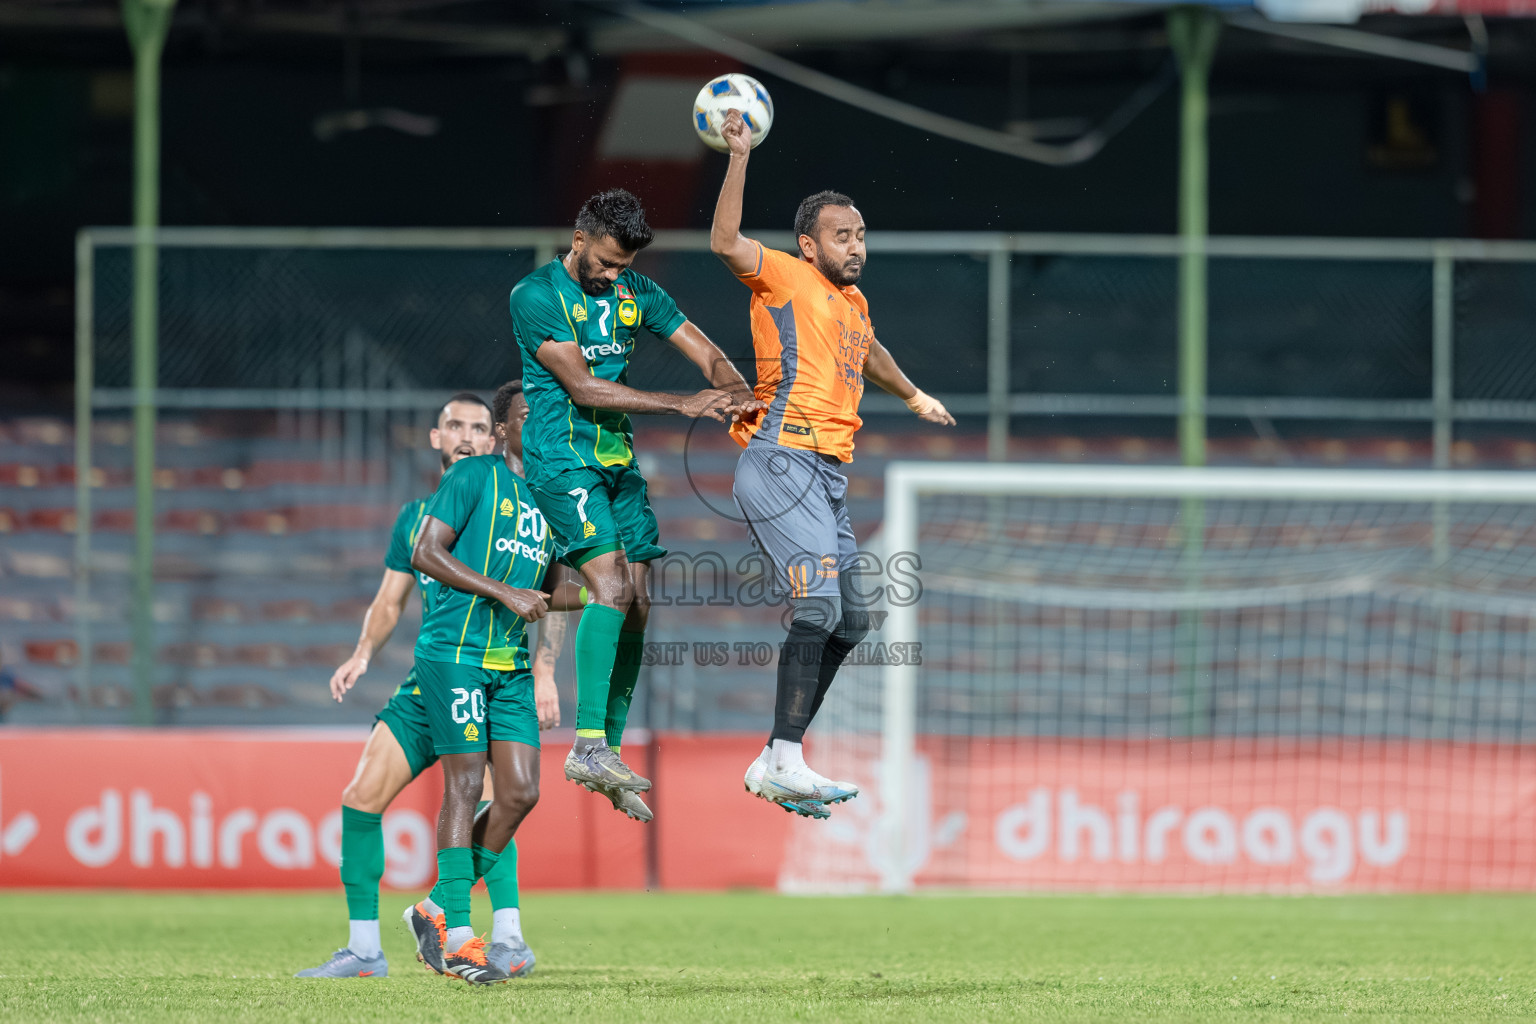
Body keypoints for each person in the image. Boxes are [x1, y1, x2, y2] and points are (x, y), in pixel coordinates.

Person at [709, 109, 956, 817]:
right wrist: (739, 156)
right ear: (807, 245)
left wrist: (911, 394)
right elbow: (725, 241)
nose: (857, 247)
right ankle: (783, 759)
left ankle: (776, 759)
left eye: (862, 236)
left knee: (854, 621)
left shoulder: (852, 303)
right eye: (843, 236)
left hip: (826, 476)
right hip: (782, 459)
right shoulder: (783, 277)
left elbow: (868, 349)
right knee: (817, 605)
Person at [509, 188, 762, 818]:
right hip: (561, 458)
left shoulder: (636, 296)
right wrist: (683, 405)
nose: (615, 275)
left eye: (624, 265)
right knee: (611, 589)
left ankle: (608, 759)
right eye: (607, 261)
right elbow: (584, 387)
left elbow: (704, 351)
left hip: (616, 463)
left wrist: (733, 389)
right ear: (580, 237)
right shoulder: (535, 296)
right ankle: (586, 745)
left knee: (641, 603)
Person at [296, 390, 557, 979]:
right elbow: (391, 600)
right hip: (430, 677)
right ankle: (365, 951)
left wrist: (544, 668)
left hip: (488, 666)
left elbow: (547, 586)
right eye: (454, 425)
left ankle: (506, 933)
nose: (466, 434)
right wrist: (363, 652)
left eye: (477, 427)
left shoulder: (508, 496)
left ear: (493, 439)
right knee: (362, 796)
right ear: (435, 438)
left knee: (492, 790)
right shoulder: (418, 516)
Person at [400, 381, 588, 986]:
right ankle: (458, 935)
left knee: (521, 794)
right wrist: (503, 590)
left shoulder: (555, 500)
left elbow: (555, 590)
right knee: (463, 783)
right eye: (528, 416)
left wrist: (602, 593)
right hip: (453, 653)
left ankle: (433, 905)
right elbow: (427, 553)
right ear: (503, 430)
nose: (542, 425)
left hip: (507, 661)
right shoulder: (474, 477)